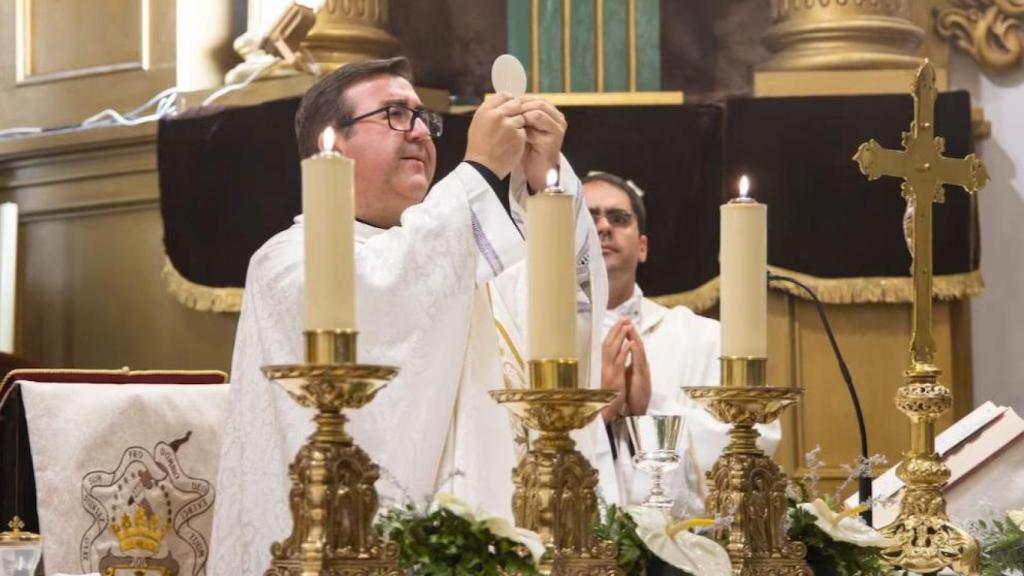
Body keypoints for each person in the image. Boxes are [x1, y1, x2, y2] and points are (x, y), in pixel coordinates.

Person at [209, 57, 609, 573]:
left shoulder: (472, 261)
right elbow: (385, 296)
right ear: (332, 145)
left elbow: (567, 310)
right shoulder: (285, 262)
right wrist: (479, 172)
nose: (420, 131)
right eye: (395, 114)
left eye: (423, 117)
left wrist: (544, 187)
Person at [582, 171, 780, 515]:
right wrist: (598, 415)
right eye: (588, 218)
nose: (603, 227)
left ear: (642, 246)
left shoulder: (704, 338)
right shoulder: (535, 346)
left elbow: (754, 441)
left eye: (618, 218)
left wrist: (652, 408)